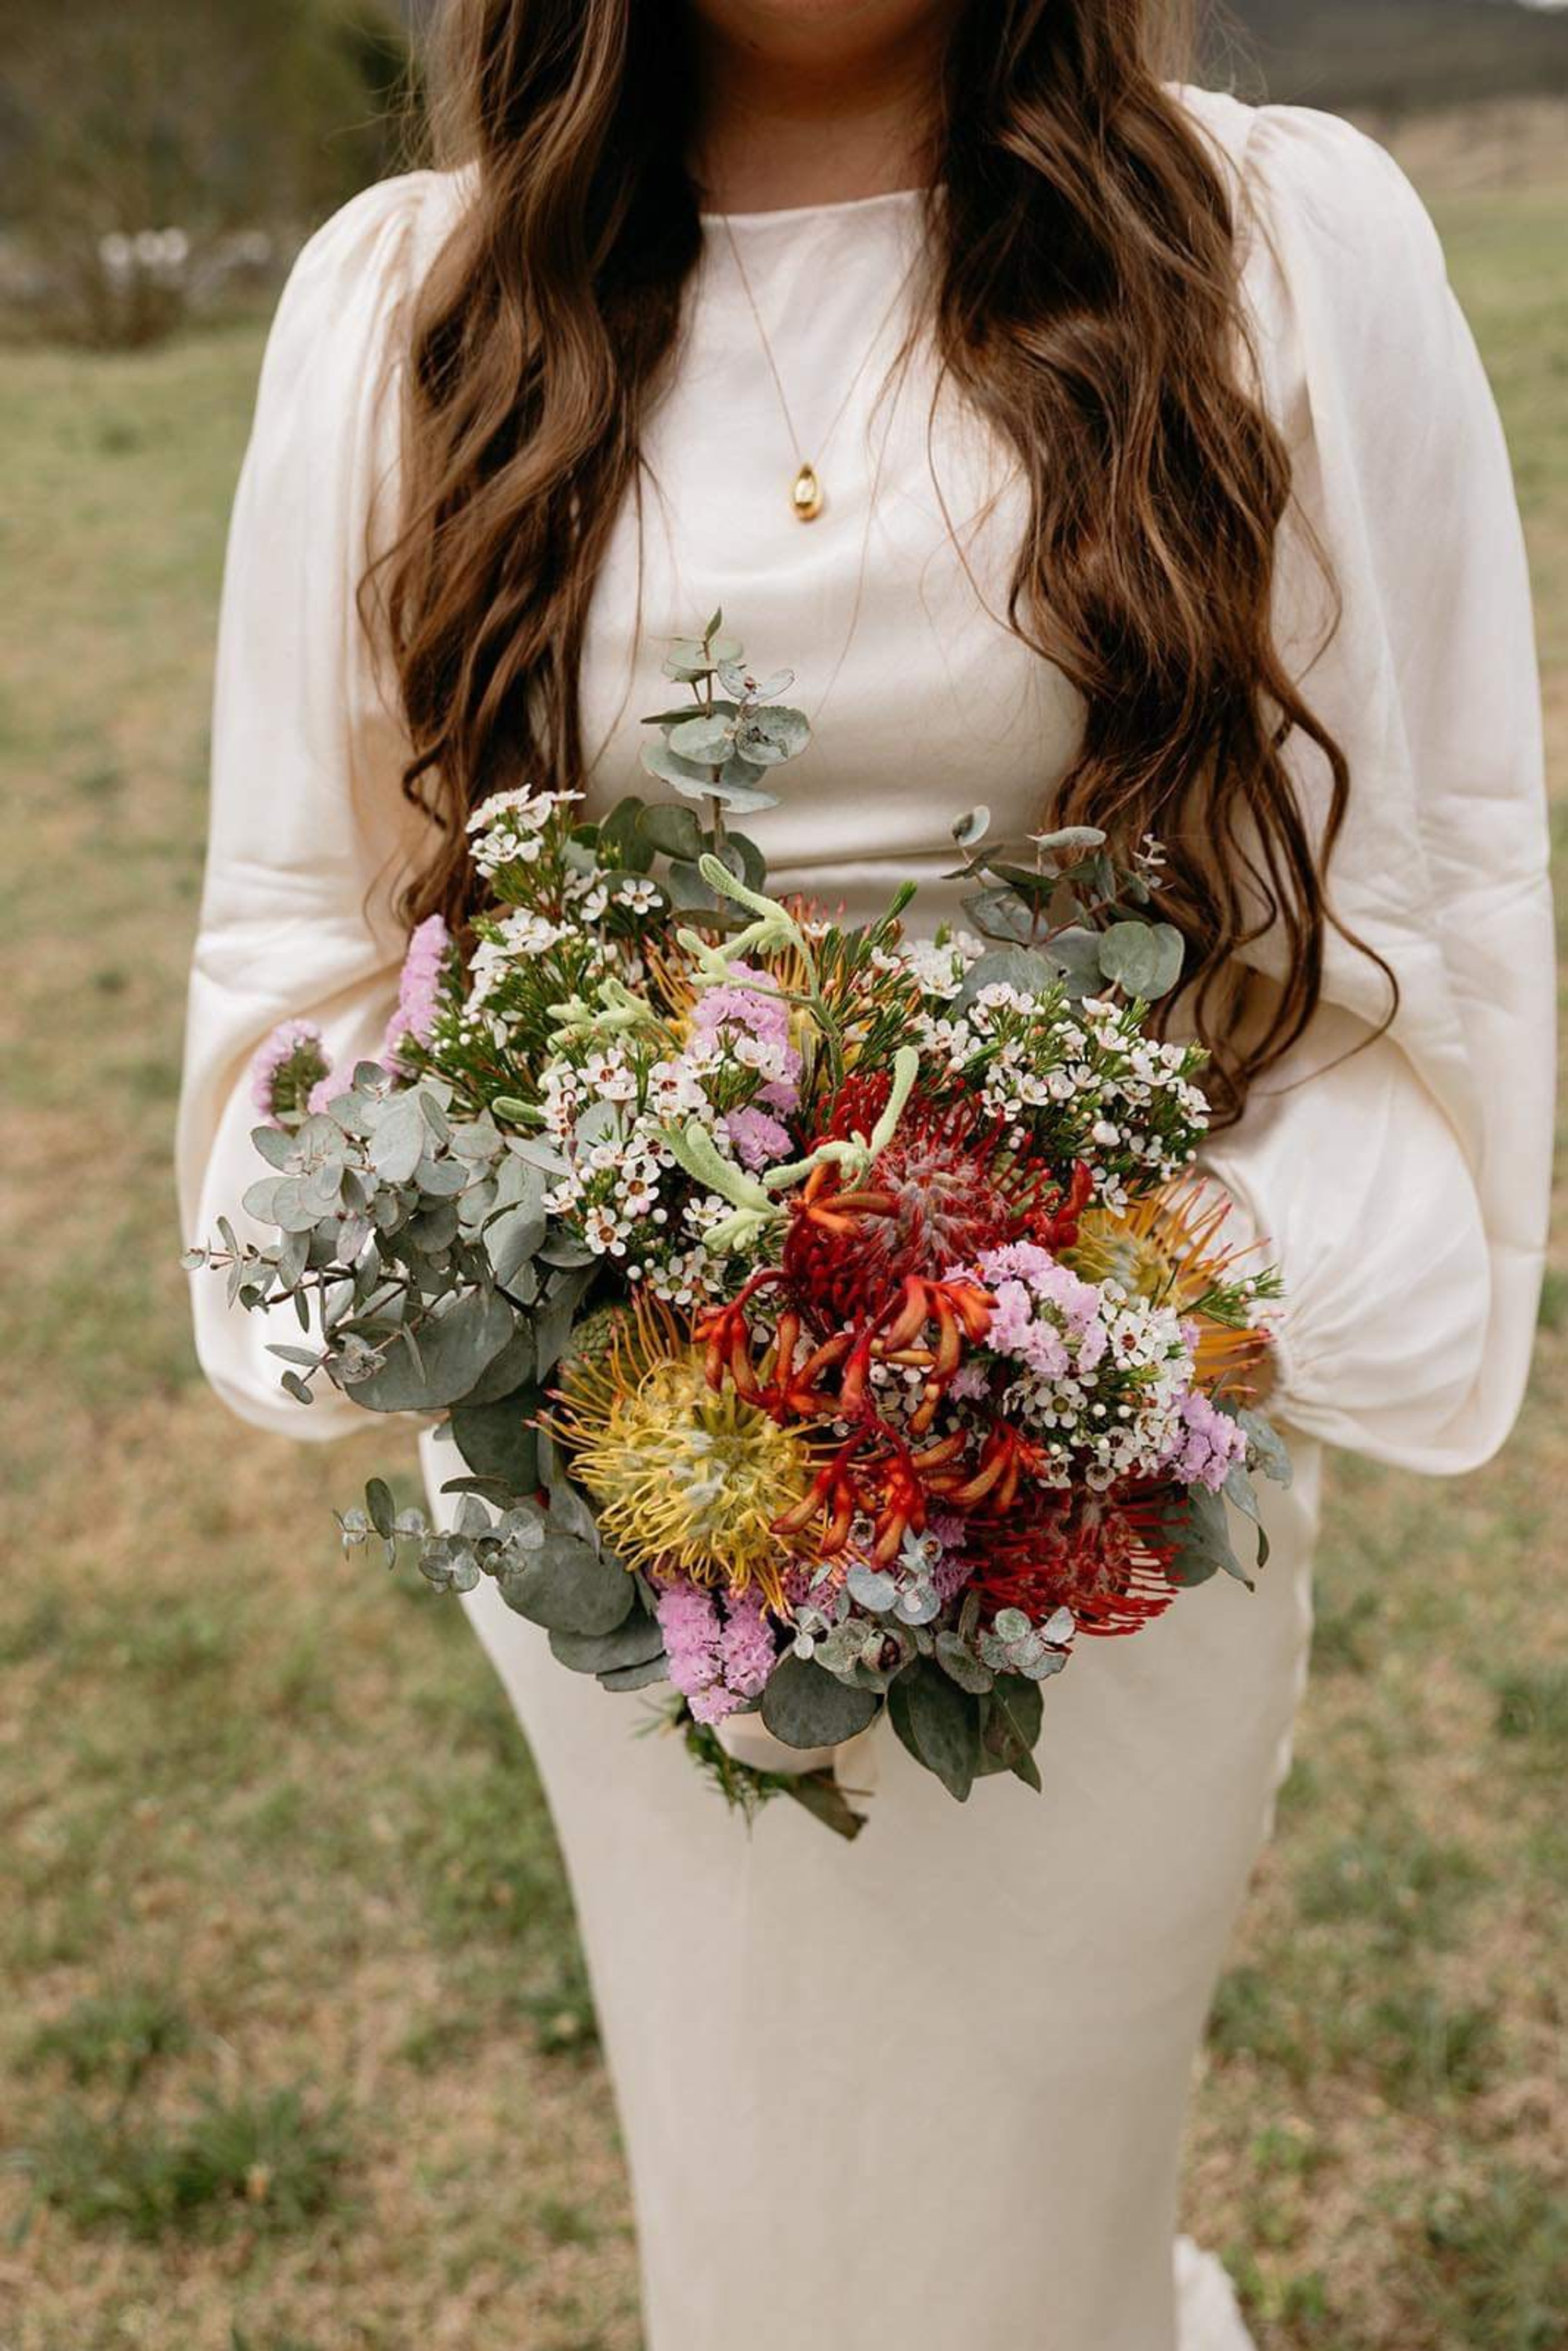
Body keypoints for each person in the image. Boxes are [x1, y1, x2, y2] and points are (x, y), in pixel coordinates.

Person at [176, 3, 1554, 2345]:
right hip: (650, 1522)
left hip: (1099, 1506)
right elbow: (300, 967)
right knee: (765, 2223)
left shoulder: (1282, 252)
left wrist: (1095, 1309)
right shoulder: (410, 307)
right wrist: (603, 1303)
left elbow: (1442, 930)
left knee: (1032, 2228)